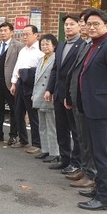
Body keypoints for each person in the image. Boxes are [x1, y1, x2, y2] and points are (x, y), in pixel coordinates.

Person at [75, 9, 107, 211]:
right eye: (89, 24)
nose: (91, 27)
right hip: (91, 108)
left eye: (96, 24)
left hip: (103, 109)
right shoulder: (93, 46)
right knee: (97, 153)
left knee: (102, 154)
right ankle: (99, 188)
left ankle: (105, 198)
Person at [44, 14, 85, 174]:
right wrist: (50, 89)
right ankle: (64, 158)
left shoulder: (82, 46)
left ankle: (76, 162)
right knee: (61, 129)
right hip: (59, 94)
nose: (68, 27)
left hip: (73, 96)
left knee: (75, 131)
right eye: (66, 24)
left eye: (72, 24)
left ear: (79, 26)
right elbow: (55, 69)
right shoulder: (61, 46)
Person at [64, 9, 97, 188]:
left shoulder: (101, 46)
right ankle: (85, 170)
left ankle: (91, 174)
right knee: (82, 138)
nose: (85, 25)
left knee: (90, 141)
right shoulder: (86, 44)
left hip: (89, 102)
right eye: (84, 22)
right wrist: (70, 95)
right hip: (77, 99)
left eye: (87, 22)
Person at [9, 25, 44, 153]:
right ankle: (23, 139)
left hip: (32, 84)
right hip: (20, 83)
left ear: (36, 35)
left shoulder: (40, 50)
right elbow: (17, 67)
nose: (24, 36)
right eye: (23, 34)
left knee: (33, 115)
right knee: (18, 112)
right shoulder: (23, 50)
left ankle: (37, 143)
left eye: (27, 34)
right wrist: (13, 83)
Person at [0, 22, 24, 144]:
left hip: (10, 83)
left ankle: (13, 135)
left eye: (5, 30)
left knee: (14, 109)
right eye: (1, 31)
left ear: (11, 32)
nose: (2, 33)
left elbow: (20, 65)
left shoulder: (18, 46)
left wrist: (16, 82)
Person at [31, 34, 59, 163]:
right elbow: (37, 80)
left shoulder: (56, 58)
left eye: (48, 44)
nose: (45, 46)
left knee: (51, 126)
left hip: (49, 96)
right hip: (39, 95)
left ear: (54, 45)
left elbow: (54, 78)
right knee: (42, 126)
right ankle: (45, 150)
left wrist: (51, 91)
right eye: (42, 44)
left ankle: (54, 152)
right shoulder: (41, 59)